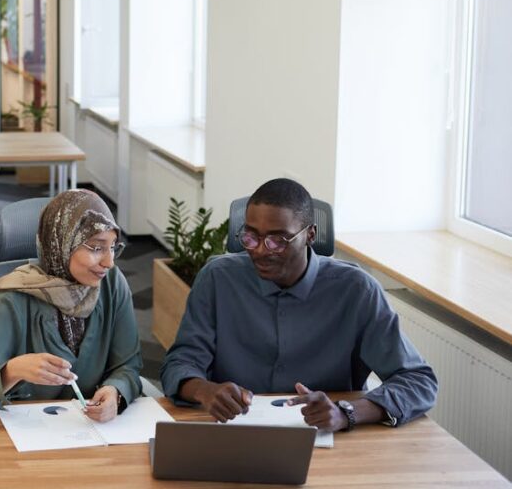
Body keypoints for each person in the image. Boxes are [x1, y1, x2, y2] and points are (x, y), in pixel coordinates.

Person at [160, 178, 437, 431]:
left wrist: (347, 412)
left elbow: (418, 381)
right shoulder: (217, 279)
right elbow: (180, 363)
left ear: (311, 235)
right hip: (232, 430)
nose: (260, 250)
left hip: (327, 440)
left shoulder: (356, 290)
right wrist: (204, 390)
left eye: (278, 240)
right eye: (251, 236)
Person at [0, 189, 143, 422]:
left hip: (90, 431)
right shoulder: (11, 298)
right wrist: (12, 371)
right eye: (97, 248)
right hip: (23, 435)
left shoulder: (112, 284)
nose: (109, 262)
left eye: (113, 247)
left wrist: (115, 391)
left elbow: (128, 364)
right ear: (62, 244)